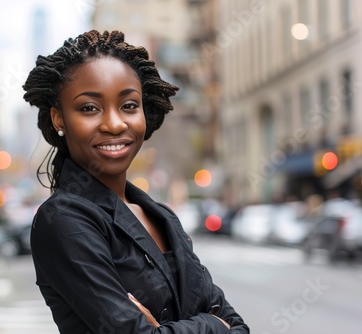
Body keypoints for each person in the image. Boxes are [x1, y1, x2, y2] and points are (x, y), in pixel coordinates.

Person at [23, 30, 249, 333]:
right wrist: (211, 325)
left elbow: (240, 328)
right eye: (89, 108)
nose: (115, 124)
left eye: (129, 105)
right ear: (58, 118)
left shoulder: (162, 216)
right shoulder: (63, 220)